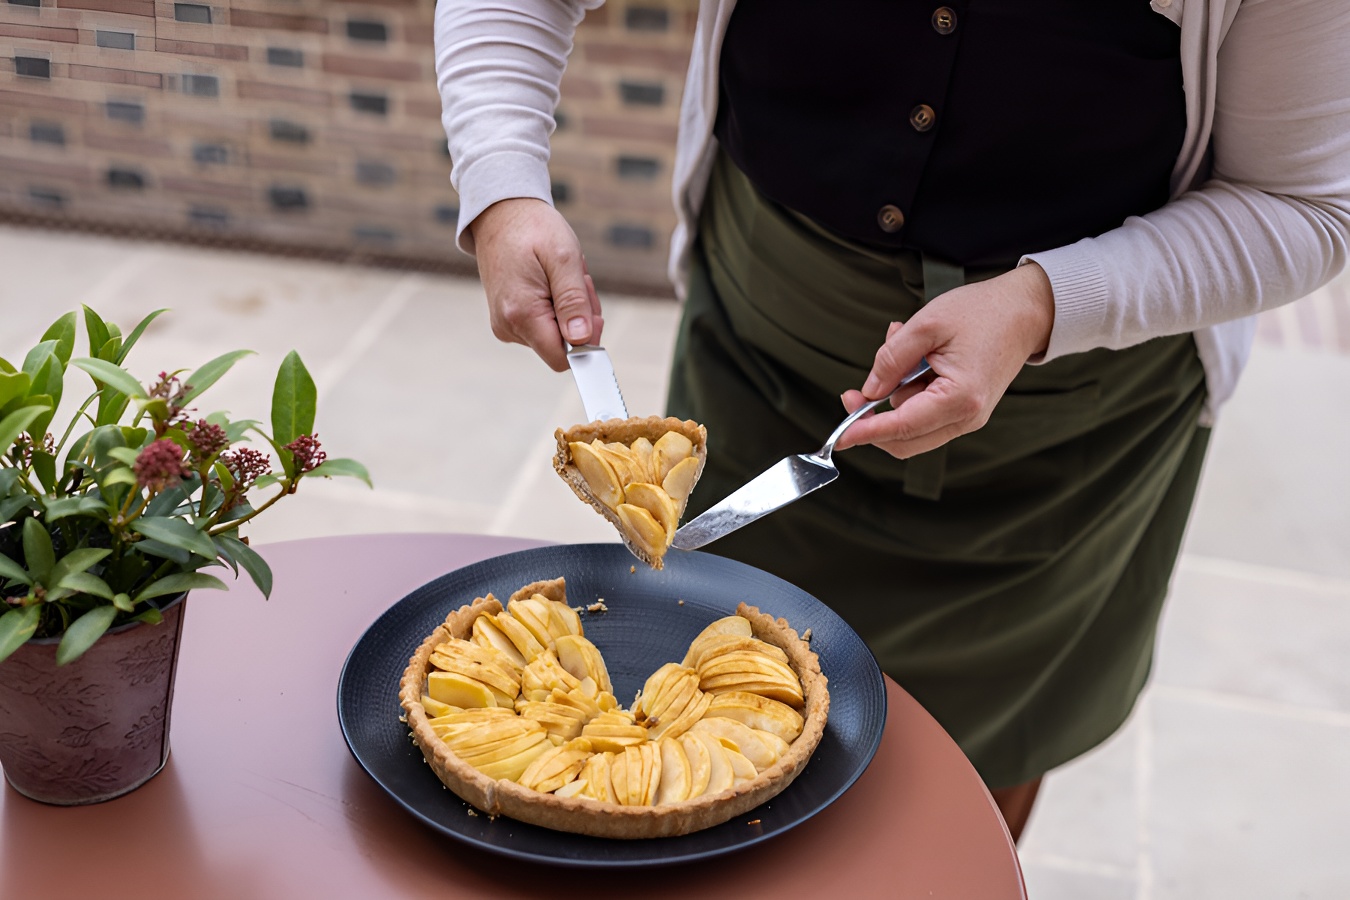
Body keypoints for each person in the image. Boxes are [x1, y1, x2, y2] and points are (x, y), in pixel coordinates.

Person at [434, 0, 1350, 840]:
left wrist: (1040, 305)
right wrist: (502, 183)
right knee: (683, 748)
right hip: (767, 349)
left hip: (1068, 429)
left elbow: (1308, 205)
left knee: (965, 800)